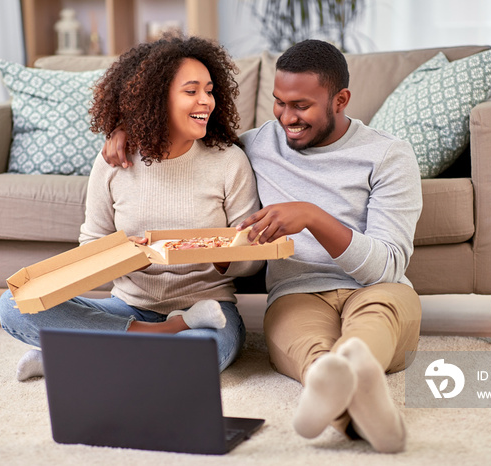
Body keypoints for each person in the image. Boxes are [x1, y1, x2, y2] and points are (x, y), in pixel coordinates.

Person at [102, 39, 422, 453]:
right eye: (278, 102)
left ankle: (350, 368)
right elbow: (191, 132)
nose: (287, 118)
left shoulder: (388, 155)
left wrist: (312, 216)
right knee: (310, 351)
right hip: (298, 292)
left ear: (340, 100)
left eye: (301, 106)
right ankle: (355, 391)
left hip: (380, 289)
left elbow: (387, 266)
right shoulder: (257, 144)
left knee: (372, 322)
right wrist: (128, 129)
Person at [0, 35, 262, 382]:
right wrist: (121, 254)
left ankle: (71, 356)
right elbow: (91, 244)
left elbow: (254, 260)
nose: (206, 101)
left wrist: (222, 252)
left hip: (208, 307)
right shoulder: (114, 162)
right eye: (191, 91)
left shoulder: (229, 162)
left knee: (198, 355)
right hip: (127, 307)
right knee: (14, 303)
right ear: (156, 99)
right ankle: (160, 335)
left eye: (210, 91)